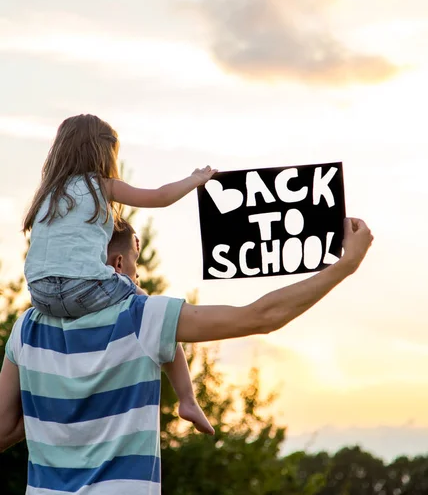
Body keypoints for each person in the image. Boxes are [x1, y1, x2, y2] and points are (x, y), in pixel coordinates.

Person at [0, 216, 373, 494]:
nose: (138, 276)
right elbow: (261, 316)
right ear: (117, 264)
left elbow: (5, 429)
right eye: (135, 263)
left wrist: (54, 414)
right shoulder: (140, 314)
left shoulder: (26, 328)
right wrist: (346, 265)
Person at [23, 113, 216, 435]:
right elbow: (159, 197)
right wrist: (195, 179)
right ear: (103, 152)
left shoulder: (48, 193)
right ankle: (188, 399)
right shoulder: (101, 186)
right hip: (81, 288)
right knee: (154, 313)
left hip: (40, 295)